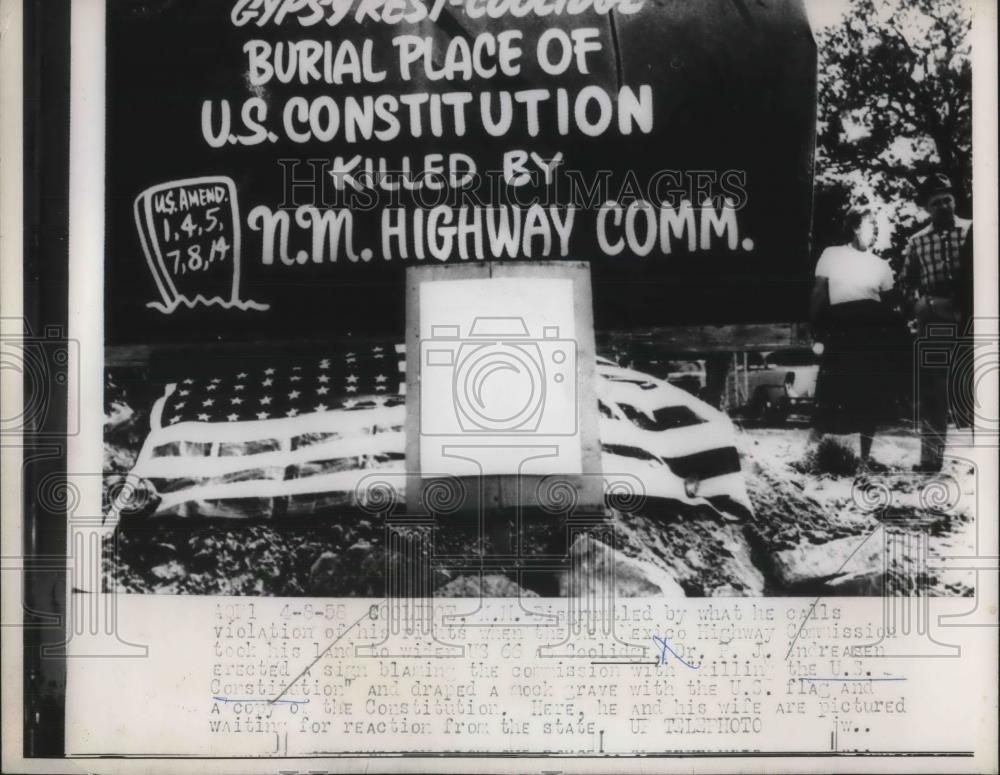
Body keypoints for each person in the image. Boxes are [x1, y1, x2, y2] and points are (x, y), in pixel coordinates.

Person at [809, 207, 897, 470]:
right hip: (840, 330)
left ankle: (864, 459)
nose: (875, 231)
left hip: (871, 333)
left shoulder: (882, 266)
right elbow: (818, 294)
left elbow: (890, 307)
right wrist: (811, 326)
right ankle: (810, 454)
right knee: (828, 390)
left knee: (868, 395)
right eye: (871, 225)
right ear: (856, 227)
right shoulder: (831, 255)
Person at [900, 172, 972, 472]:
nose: (944, 206)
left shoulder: (972, 230)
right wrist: (917, 307)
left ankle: (983, 457)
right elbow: (906, 281)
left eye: (948, 199)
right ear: (927, 208)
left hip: (970, 311)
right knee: (934, 387)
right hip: (934, 313)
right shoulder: (917, 241)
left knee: (972, 382)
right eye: (936, 202)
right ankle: (930, 459)